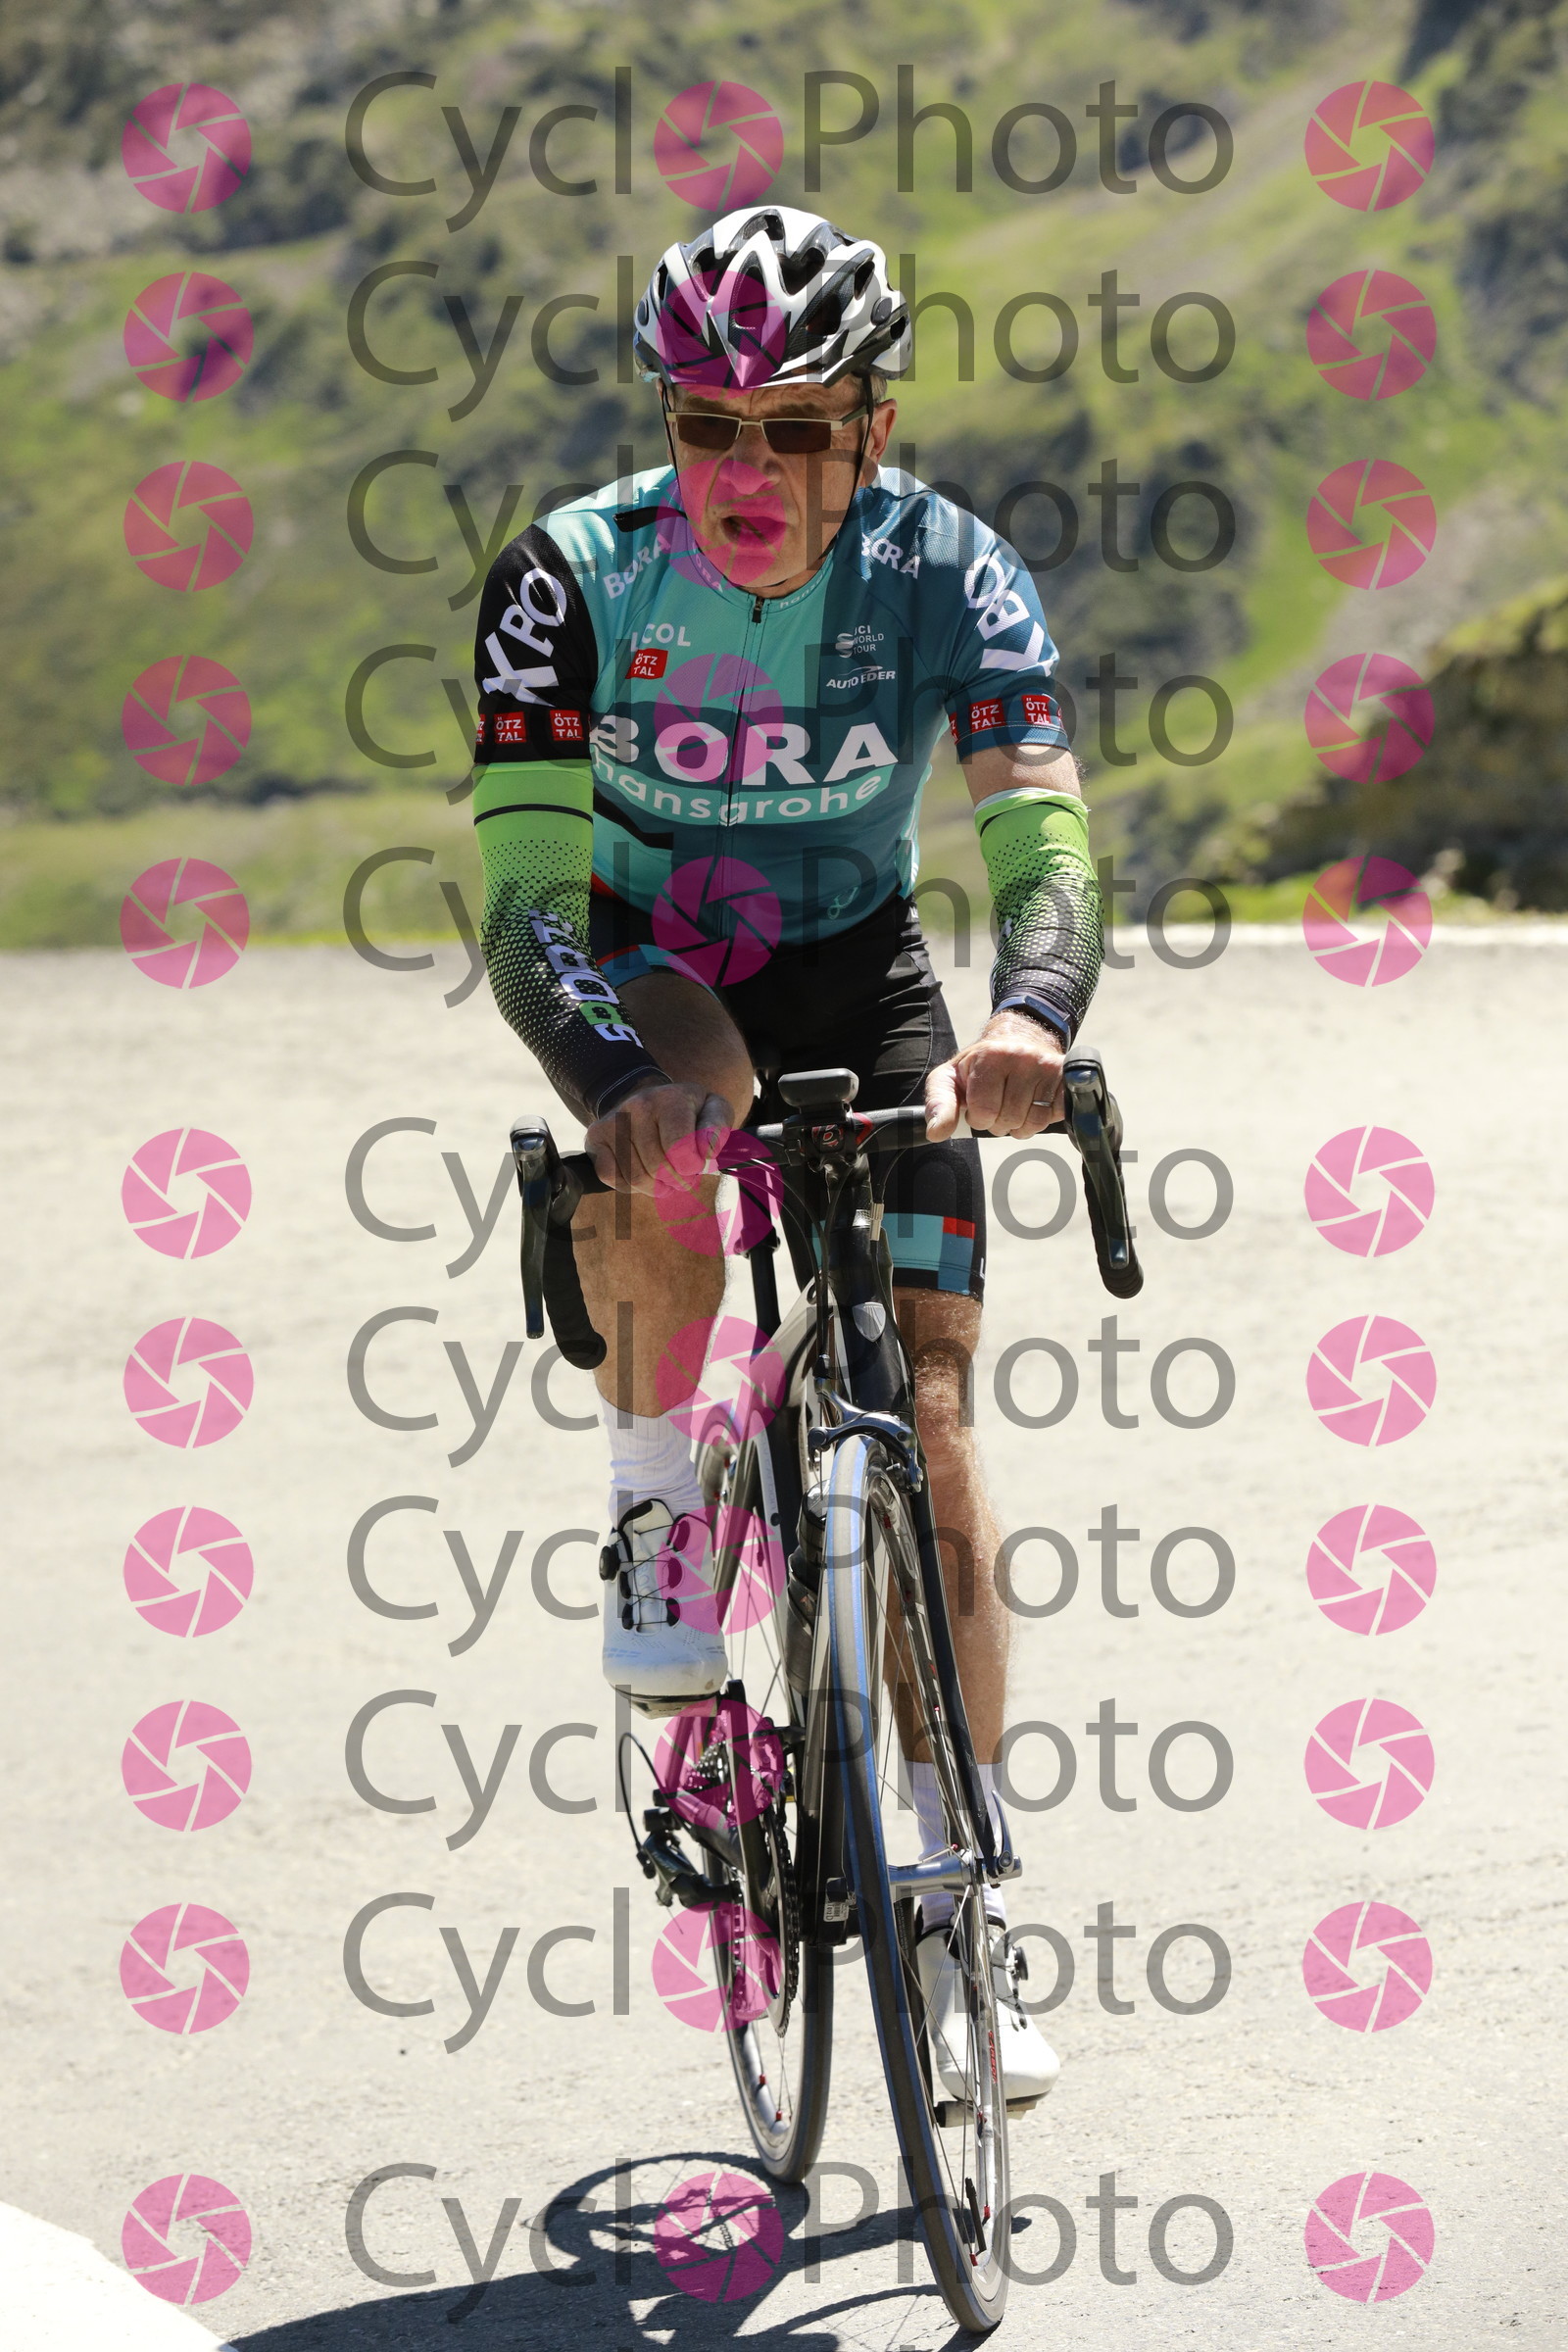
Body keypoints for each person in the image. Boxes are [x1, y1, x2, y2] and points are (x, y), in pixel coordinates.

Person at [469, 206, 1102, 2106]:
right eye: (707, 425)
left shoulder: (950, 571)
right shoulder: (570, 578)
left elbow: (1040, 833)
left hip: (859, 964)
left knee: (932, 1406)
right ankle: (655, 1501)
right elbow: (521, 899)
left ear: (872, 430)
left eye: (798, 427)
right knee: (672, 1123)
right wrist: (608, 1081)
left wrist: (1029, 1023)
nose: (747, 468)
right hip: (649, 955)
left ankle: (965, 1904)